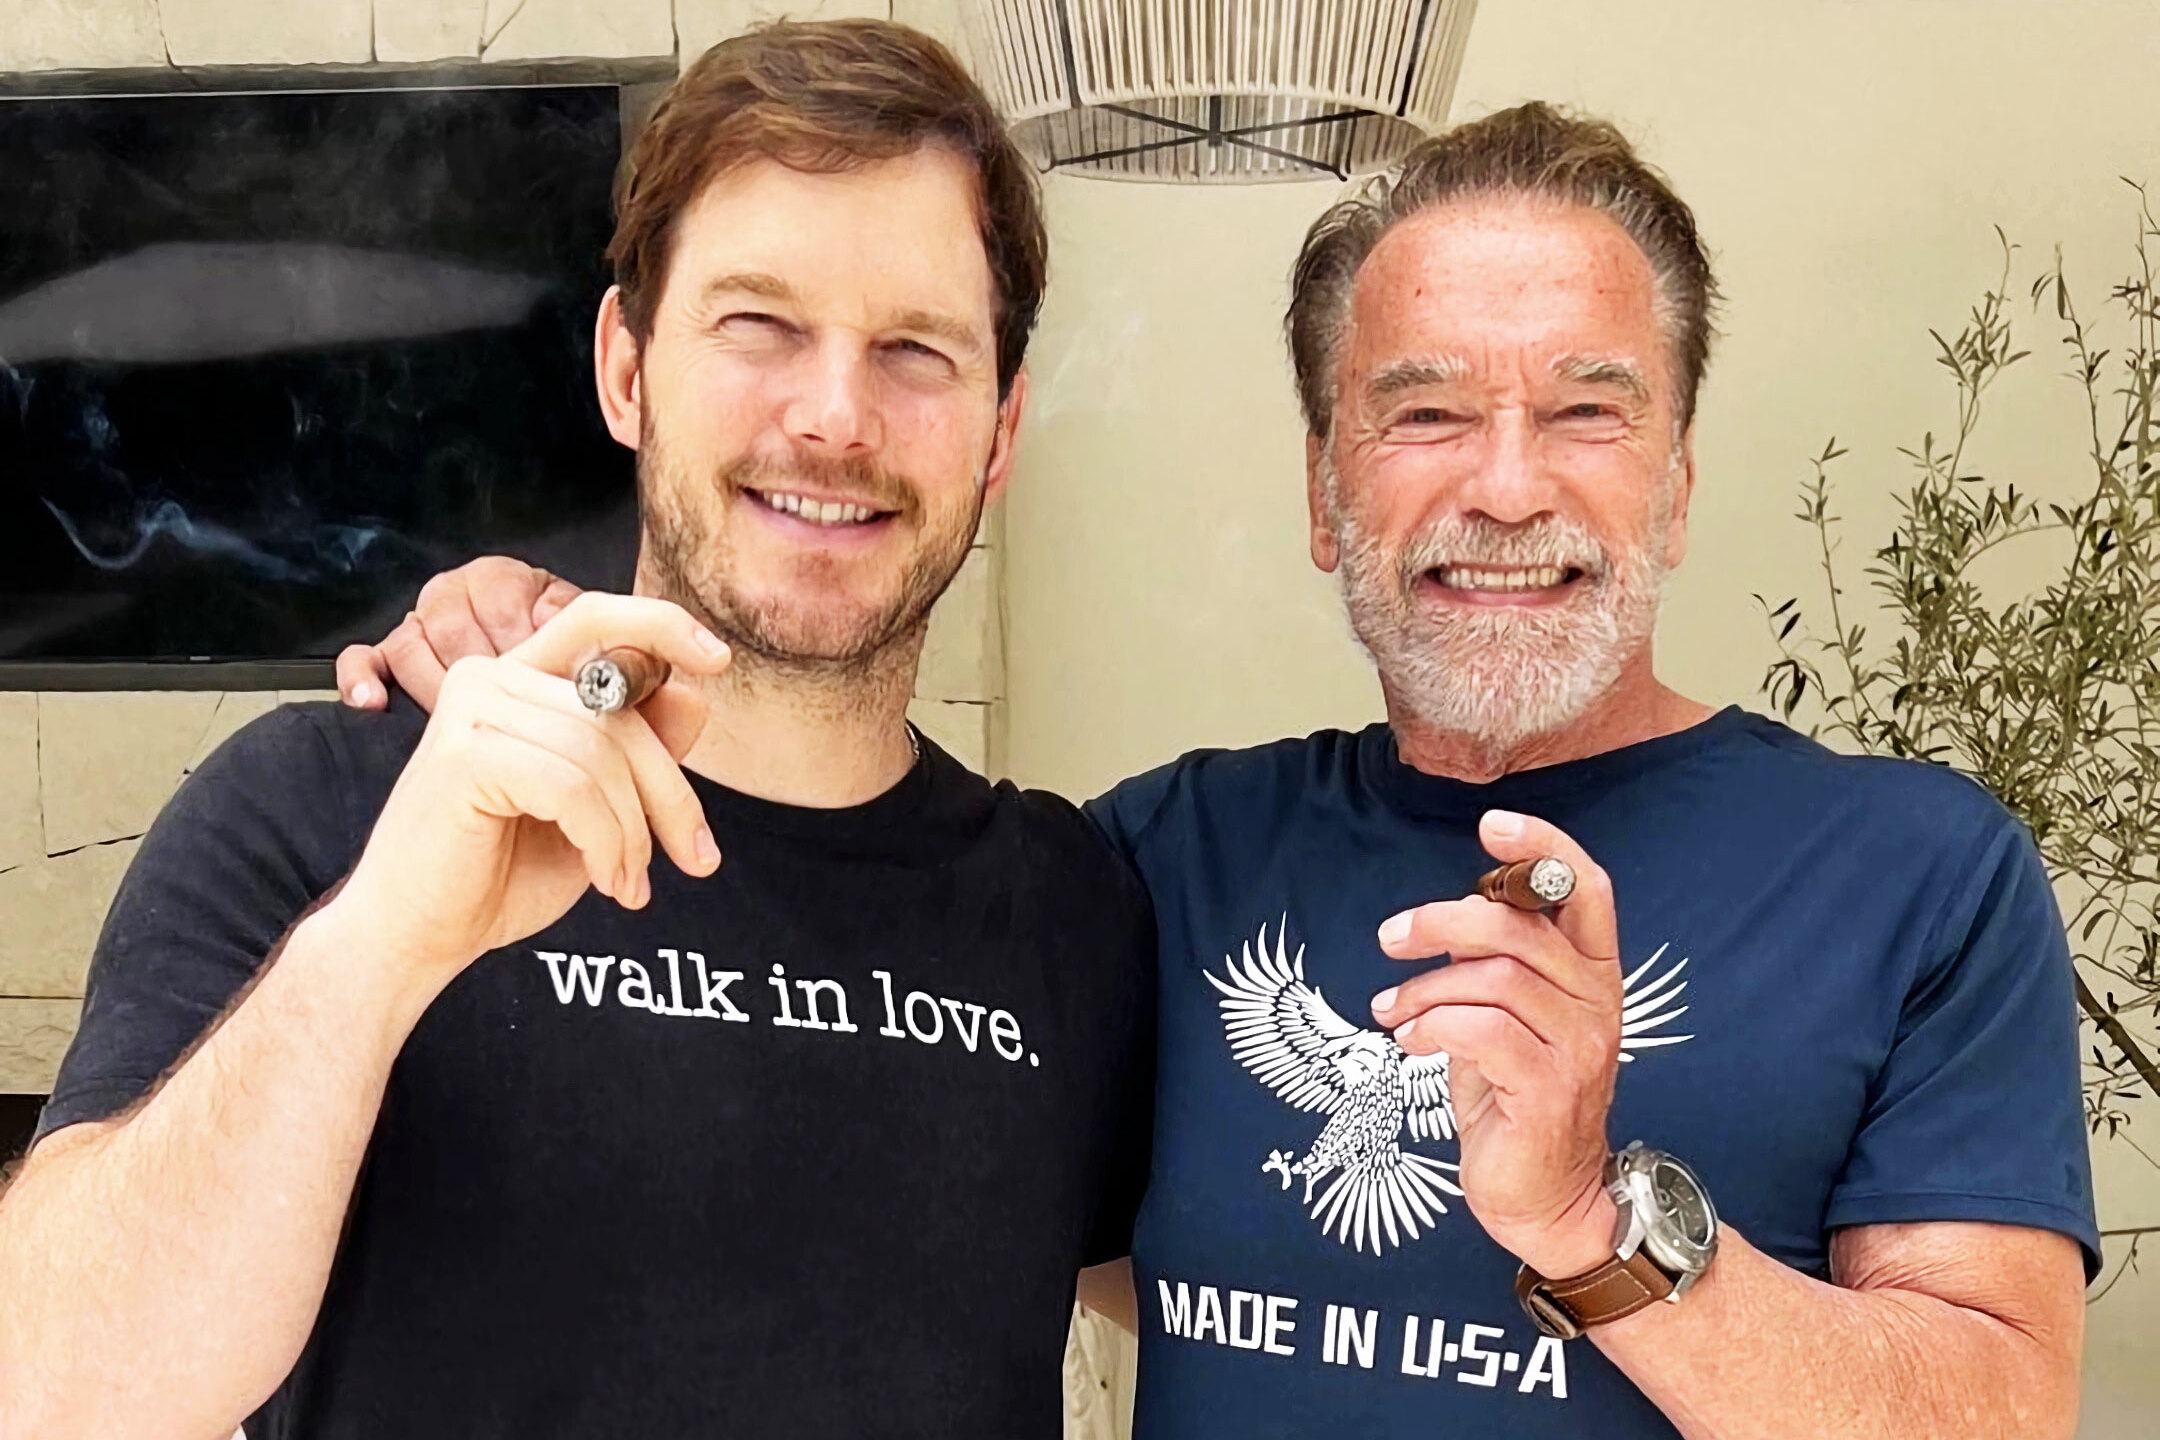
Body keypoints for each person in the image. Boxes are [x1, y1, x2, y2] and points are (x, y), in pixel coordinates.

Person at [355, 101, 2100, 1438]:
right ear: (1328, 493)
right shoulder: (1155, 862)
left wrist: (1587, 1222)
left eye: (1587, 410)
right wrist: (543, 641)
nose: (1506, 486)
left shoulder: (1913, 878)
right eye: (1424, 412)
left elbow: (2000, 1412)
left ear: (1678, 481)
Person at [0, 22, 1153, 1440]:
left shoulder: (1076, 913)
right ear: (625, 367)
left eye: (915, 349)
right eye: (759, 324)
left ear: (1000, 431)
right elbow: (47, 1388)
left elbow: (1274, 1305)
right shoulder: (329, 805)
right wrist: (379, 946)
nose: (834, 415)